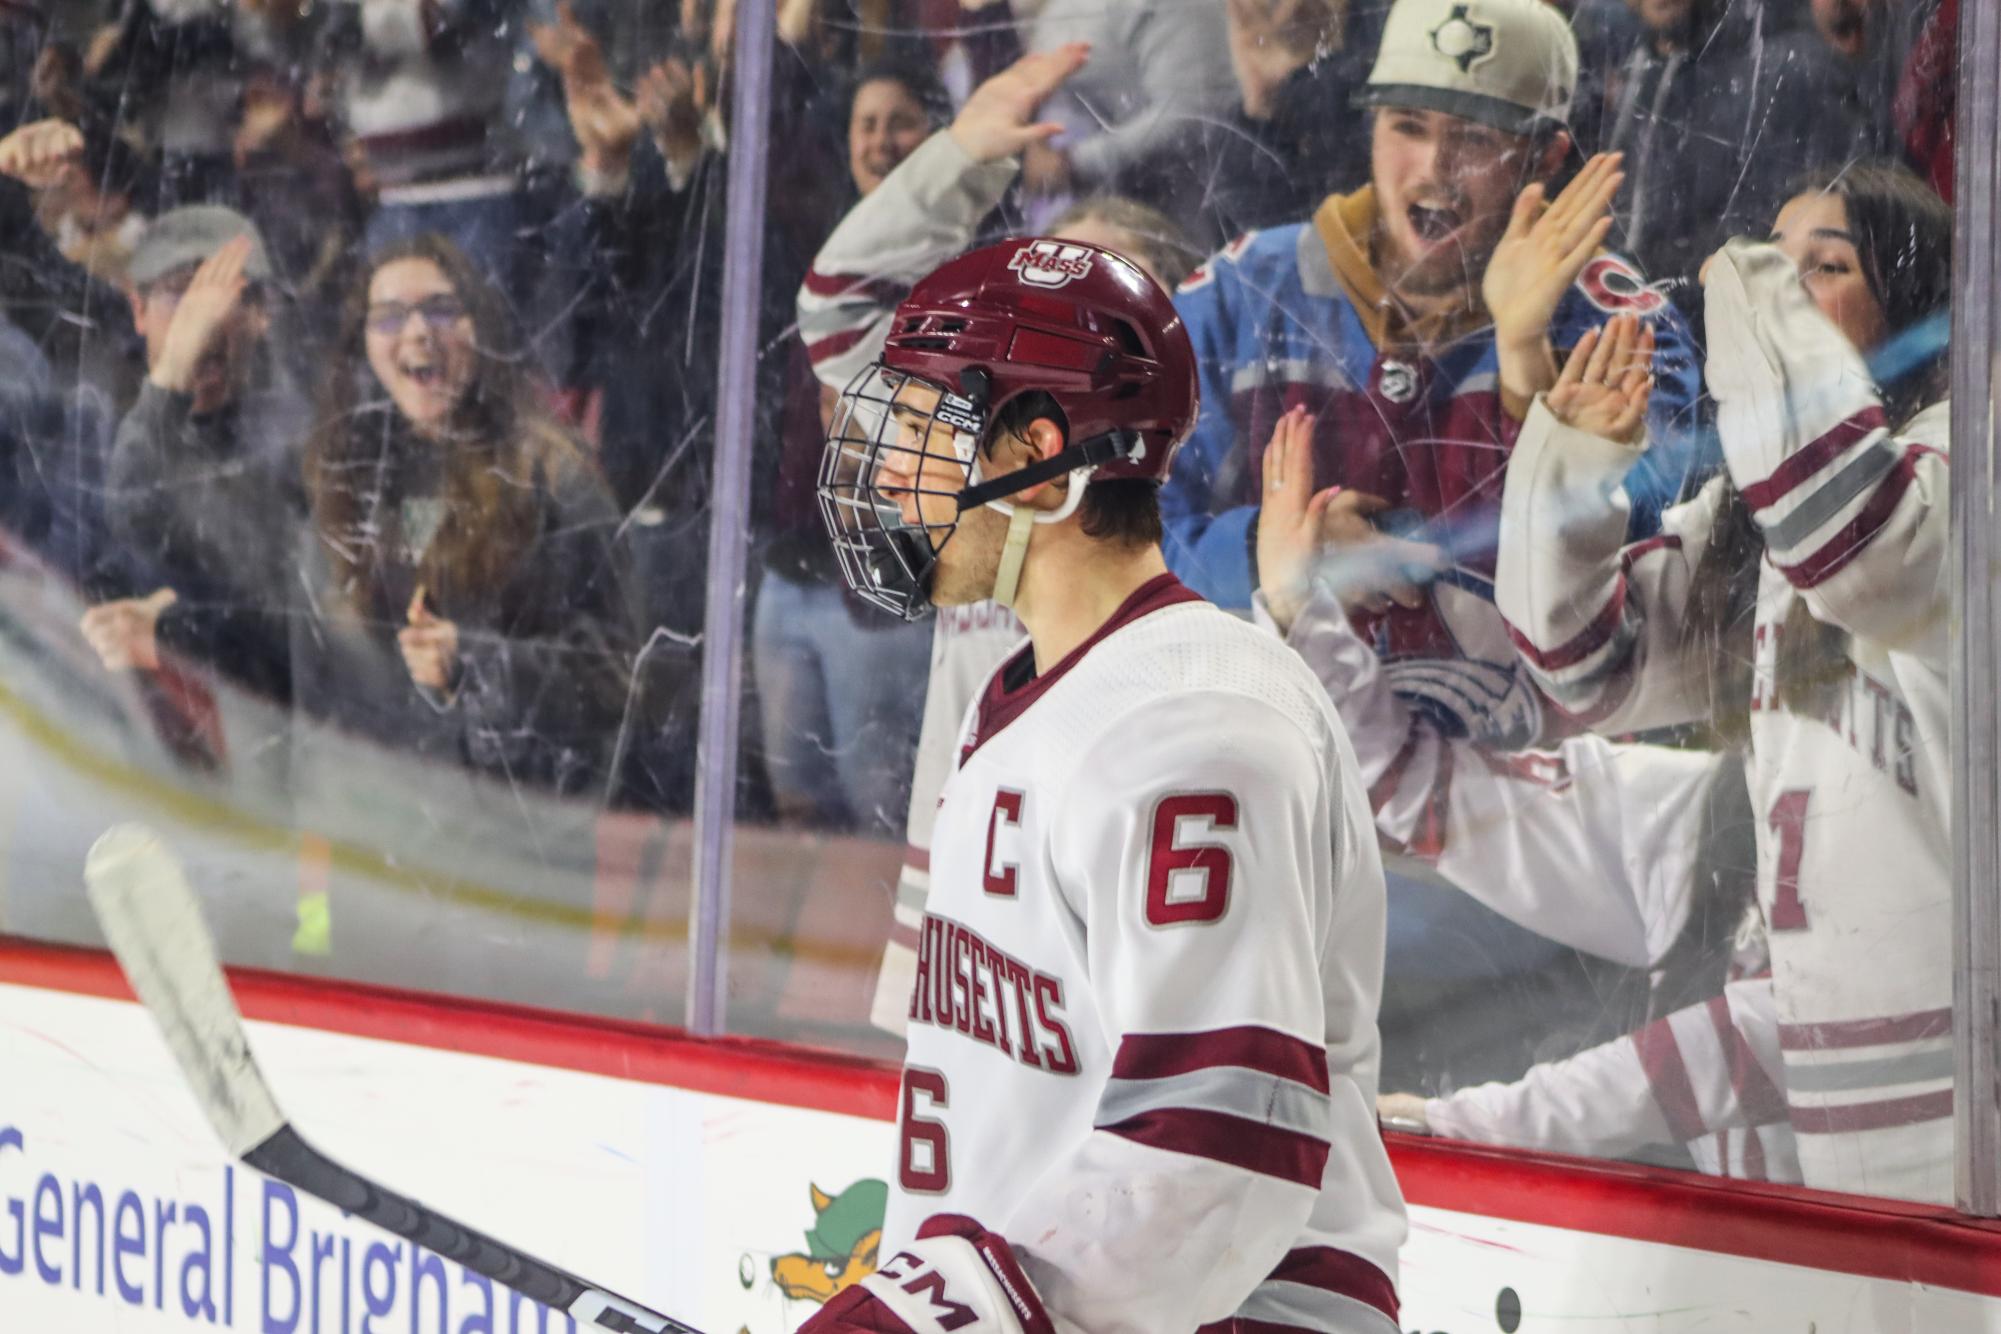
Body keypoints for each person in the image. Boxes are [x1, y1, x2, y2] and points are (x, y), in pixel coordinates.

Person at [803, 238, 1404, 1333]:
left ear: (1040, 451)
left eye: (929, 430)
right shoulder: (1033, 694)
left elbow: (1215, 1142)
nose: (892, 470)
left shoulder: (1197, 723)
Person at [1495, 162, 1954, 1203]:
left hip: (1967, 1083)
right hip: (1821, 1056)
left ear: (1917, 301)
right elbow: (1583, 672)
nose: (1770, 298)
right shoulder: (1755, 520)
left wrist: (1741, 276)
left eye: (1823, 269)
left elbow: (1857, 544)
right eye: (1770, 262)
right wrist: (1574, 466)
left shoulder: (1962, 454)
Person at [1256, 408, 1792, 1181]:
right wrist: (1297, 611)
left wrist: (1476, 1123)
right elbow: (1424, 791)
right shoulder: (1698, 814)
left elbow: (1782, 1027)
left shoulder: (1948, 808)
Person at [795, 44, 1204, 1032]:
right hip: (967, 948)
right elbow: (841, 311)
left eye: (1095, 320)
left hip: (1133, 971)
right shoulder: (976, 460)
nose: (1056, 342)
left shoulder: (1201, 511)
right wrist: (961, 157)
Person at [1163, 0, 1705, 667]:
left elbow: (1658, 561)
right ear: (1370, 128)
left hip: (1541, 755)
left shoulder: (1619, 320)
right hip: (1276, 728)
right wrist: (1263, 555)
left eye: (1475, 137)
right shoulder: (1240, 291)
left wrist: (1523, 362)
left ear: (1545, 156)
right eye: (1407, 125)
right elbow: (1116, 523)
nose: (1432, 167)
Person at [293, 233, 638, 799]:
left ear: (482, 330)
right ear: (361, 347)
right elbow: (315, 692)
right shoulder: (343, 480)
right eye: (388, 317)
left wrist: (477, 665)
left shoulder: (553, 476)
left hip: (509, 834)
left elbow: (616, 675)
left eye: (442, 309)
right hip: (375, 830)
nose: (418, 332)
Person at [80, 206, 307, 704]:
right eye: (179, 294)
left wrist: (172, 632)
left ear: (261, 313)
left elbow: (283, 626)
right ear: (137, 310)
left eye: (219, 296)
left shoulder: (293, 443)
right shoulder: (92, 421)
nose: (200, 320)